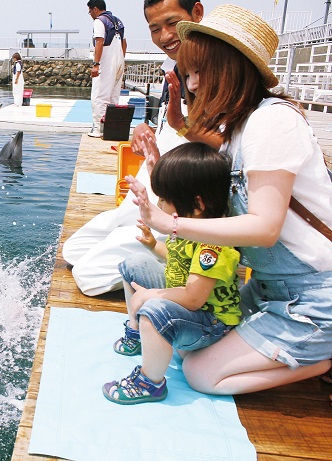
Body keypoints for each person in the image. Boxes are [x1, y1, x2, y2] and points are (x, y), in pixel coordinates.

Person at [128, 4, 332, 396]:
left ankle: (323, 358)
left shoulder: (272, 122)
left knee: (202, 373)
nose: (191, 85)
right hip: (270, 290)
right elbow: (212, 175)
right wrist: (166, 145)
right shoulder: (243, 126)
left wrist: (168, 224)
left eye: (198, 72)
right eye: (188, 74)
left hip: (313, 299)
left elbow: (265, 228)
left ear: (231, 66)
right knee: (189, 349)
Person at [62, 0, 204, 296]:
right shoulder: (175, 67)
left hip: (172, 202)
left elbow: (206, 162)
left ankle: (178, 271)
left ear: (196, 14)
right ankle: (133, 253)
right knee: (72, 252)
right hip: (151, 185)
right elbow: (171, 125)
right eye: (155, 28)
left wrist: (158, 164)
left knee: (88, 278)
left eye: (172, 23)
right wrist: (144, 130)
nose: (165, 35)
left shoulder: (209, 74)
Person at [103, 142, 241, 404]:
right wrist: (154, 246)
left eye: (165, 200)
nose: (159, 206)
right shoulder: (190, 227)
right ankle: (139, 333)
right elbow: (177, 260)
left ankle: (150, 382)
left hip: (210, 323)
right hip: (188, 302)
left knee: (155, 309)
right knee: (134, 263)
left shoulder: (212, 244)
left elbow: (194, 298)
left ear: (197, 205)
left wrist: (152, 295)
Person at [86, 0, 127, 138]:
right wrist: (121, 59)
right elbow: (124, 42)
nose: (90, 14)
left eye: (90, 11)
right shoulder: (118, 21)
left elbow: (99, 41)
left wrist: (96, 64)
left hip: (106, 61)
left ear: (96, 9)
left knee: (99, 95)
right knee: (114, 97)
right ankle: (111, 129)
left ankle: (98, 128)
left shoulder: (99, 21)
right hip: (119, 59)